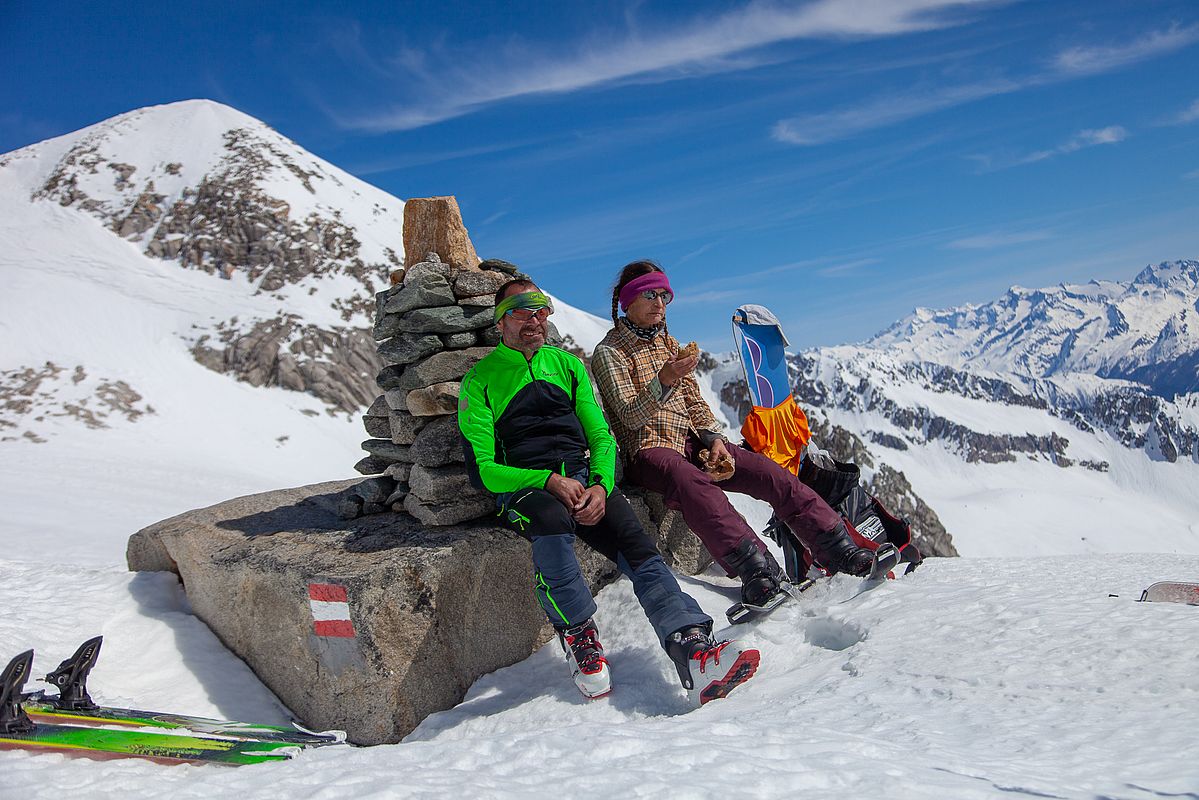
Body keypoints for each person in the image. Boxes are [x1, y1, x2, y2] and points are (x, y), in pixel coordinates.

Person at [457, 277, 759, 704]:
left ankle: (692, 647)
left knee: (638, 547)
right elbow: (485, 471)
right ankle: (579, 635)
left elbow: (600, 436)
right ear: (500, 321)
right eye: (522, 312)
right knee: (550, 520)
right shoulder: (480, 382)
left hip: (583, 478)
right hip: (525, 488)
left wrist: (600, 483)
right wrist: (546, 480)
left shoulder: (567, 366)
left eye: (541, 311)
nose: (535, 320)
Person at [590, 260, 877, 609]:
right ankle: (758, 569)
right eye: (650, 295)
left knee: (768, 472)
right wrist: (663, 380)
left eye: (665, 296)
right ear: (628, 301)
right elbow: (629, 417)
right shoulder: (609, 352)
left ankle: (839, 547)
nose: (660, 304)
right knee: (692, 482)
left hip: (694, 441)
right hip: (649, 449)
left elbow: (695, 402)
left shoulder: (670, 344)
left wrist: (715, 440)